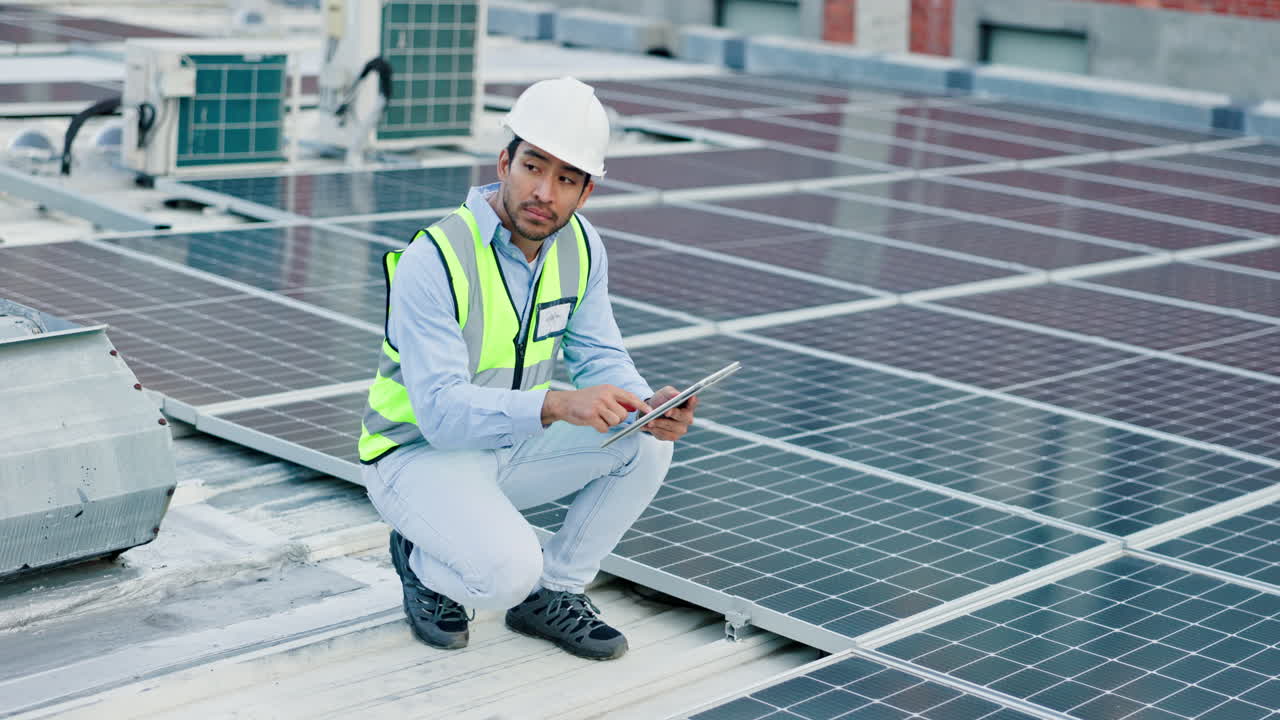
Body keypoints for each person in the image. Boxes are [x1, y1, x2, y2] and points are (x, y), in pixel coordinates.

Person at [357, 77, 698, 661]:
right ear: (504, 164)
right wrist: (555, 404)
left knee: (644, 443)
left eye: (566, 178)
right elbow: (440, 414)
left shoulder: (582, 247)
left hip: (509, 443)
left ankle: (555, 592)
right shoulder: (434, 257)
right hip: (416, 455)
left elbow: (600, 355)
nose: (544, 191)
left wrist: (645, 406)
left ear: (585, 192)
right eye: (533, 167)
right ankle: (418, 557)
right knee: (505, 576)